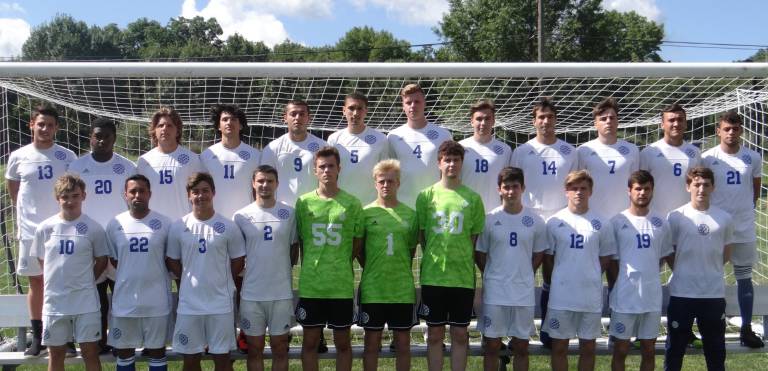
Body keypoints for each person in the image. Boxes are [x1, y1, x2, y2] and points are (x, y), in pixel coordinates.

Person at [5, 105, 76, 357]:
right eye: (41, 124)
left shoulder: (67, 156)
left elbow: (72, 192)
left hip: (60, 231)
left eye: (50, 125)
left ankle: (65, 338)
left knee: (61, 282)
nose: (45, 129)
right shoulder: (18, 156)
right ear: (32, 125)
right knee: (37, 282)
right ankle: (39, 337)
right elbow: (15, 189)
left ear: (57, 128)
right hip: (30, 232)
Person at [510, 97, 577, 348]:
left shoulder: (569, 151)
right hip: (529, 218)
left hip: (561, 219)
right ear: (534, 121)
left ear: (555, 120)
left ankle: (552, 328)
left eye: (549, 117)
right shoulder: (522, 151)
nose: (545, 121)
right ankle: (518, 329)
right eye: (541, 117)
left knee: (554, 275)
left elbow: (574, 184)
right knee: (523, 272)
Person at [68, 117, 137, 353]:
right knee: (95, 293)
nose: (101, 140)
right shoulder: (77, 167)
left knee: (120, 293)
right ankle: (97, 340)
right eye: (97, 135)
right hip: (88, 238)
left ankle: (121, 340)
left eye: (106, 136)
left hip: (119, 238)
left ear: (114, 139)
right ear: (90, 138)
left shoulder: (127, 167)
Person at [416, 140, 485, 371]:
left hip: (462, 277)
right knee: (434, 334)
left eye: (456, 160)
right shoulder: (425, 196)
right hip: (433, 276)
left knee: (459, 334)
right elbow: (423, 236)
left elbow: (473, 240)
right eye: (447, 160)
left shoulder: (473, 199)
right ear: (439, 163)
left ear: (462, 163)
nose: (452, 164)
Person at [166, 173, 246, 371]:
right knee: (191, 359)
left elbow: (238, 260)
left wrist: (223, 278)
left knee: (222, 359)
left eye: (205, 191)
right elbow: (172, 261)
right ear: (189, 196)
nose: (201, 196)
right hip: (189, 304)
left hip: (220, 303)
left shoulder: (228, 226)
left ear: (213, 193)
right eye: (195, 192)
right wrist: (188, 277)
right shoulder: (179, 226)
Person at [294, 146, 364, 371]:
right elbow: (302, 241)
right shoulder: (303, 203)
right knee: (310, 343)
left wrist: (338, 261)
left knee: (343, 343)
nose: (327, 171)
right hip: (312, 285)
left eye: (331, 166)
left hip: (340, 285)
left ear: (339, 169)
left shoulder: (352, 203)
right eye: (322, 167)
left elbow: (357, 244)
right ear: (315, 171)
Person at [30, 174, 109, 371]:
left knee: (90, 352)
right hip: (55, 302)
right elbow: (43, 261)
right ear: (57, 198)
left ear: (84, 196)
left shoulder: (93, 228)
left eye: (75, 195)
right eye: (65, 196)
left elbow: (102, 260)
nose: (70, 201)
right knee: (56, 354)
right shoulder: (45, 228)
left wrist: (87, 280)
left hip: (85, 301)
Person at [701, 110, 764, 348]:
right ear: (718, 131)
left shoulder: (753, 158)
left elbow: (755, 190)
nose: (731, 133)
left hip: (744, 228)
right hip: (716, 228)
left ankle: (746, 329)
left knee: (744, 278)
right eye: (726, 128)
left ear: (741, 131)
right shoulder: (707, 158)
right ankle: (710, 328)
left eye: (735, 129)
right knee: (710, 276)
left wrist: (744, 212)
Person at [543, 170, 616, 371]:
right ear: (566, 191)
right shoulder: (554, 222)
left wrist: (589, 273)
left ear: (591, 191)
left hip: (589, 296)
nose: (578, 193)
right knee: (559, 348)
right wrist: (558, 278)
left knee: (588, 348)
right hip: (561, 296)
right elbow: (548, 259)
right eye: (574, 188)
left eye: (583, 188)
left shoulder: (602, 223)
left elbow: (605, 257)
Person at [475, 167, 546, 371]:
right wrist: (492, 273)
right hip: (496, 291)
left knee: (522, 346)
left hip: (522, 292)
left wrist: (524, 272)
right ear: (499, 189)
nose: (511, 191)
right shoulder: (489, 220)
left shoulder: (535, 221)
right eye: (506, 187)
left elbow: (539, 254)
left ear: (523, 188)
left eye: (515, 186)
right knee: (492, 346)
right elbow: (480, 253)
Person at [664, 167, 735, 371]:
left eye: (706, 184)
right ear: (688, 187)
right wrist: (685, 270)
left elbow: (726, 253)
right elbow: (670, 252)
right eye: (696, 184)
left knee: (715, 351)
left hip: (712, 294)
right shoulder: (676, 217)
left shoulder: (724, 218)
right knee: (674, 349)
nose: (701, 189)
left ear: (713, 187)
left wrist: (707, 269)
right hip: (682, 293)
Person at [233, 165, 298, 371]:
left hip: (281, 293)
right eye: (260, 181)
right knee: (255, 349)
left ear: (277, 184)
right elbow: (237, 256)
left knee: (280, 348)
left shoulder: (289, 213)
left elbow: (293, 250)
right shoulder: (241, 216)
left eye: (270, 181)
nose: (265, 185)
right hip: (252, 294)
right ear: (253, 183)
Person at [106, 174, 172, 371]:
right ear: (125, 195)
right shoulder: (115, 224)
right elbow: (115, 260)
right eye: (132, 191)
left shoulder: (164, 223)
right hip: (125, 302)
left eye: (142, 191)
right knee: (124, 353)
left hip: (156, 302)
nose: (137, 195)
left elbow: (169, 259)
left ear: (149, 194)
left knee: (157, 353)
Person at [608, 170, 672, 371]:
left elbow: (663, 256)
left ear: (652, 191)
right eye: (638, 189)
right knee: (620, 349)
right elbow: (611, 261)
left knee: (649, 349)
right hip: (624, 298)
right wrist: (617, 286)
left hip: (651, 297)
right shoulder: (617, 222)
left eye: (647, 189)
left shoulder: (661, 223)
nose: (642, 193)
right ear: (629, 191)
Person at [358, 159, 418, 371]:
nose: (386, 185)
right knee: (371, 344)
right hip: (373, 289)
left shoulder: (411, 215)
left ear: (398, 184)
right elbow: (359, 250)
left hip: (401, 289)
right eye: (382, 181)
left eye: (391, 181)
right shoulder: (364, 214)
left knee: (403, 344)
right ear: (375, 183)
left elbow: (410, 250)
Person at [388, 83, 452, 207]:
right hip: (403, 204)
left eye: (417, 101)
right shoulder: (393, 136)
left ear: (424, 104)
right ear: (403, 106)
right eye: (408, 102)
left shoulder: (443, 135)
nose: (413, 106)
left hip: (435, 203)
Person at [577, 97, 640, 218]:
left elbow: (636, 186)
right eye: (603, 119)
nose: (608, 121)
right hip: (592, 217)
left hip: (624, 218)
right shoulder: (583, 151)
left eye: (612, 118)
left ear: (618, 121)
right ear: (595, 124)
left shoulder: (632, 150)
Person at [137, 107, 202, 221]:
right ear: (154, 130)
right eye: (160, 126)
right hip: (154, 225)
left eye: (169, 125)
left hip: (184, 224)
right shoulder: (144, 161)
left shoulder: (192, 159)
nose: (164, 129)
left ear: (177, 131)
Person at [261, 100, 329, 207]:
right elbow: (263, 182)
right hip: (281, 211)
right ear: (285, 118)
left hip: (314, 209)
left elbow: (329, 180)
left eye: (302, 114)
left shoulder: (322, 147)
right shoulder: (272, 149)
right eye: (293, 114)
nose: (297, 118)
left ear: (308, 118)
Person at [201, 104, 261, 219]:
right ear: (219, 126)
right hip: (214, 219)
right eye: (225, 119)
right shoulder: (207, 155)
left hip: (246, 219)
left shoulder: (255, 155)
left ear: (241, 125)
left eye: (233, 119)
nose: (229, 122)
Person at [327, 92, 389, 205]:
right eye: (351, 108)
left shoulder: (380, 139)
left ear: (366, 111)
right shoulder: (334, 140)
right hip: (341, 204)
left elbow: (385, 174)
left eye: (360, 108)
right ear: (344, 110)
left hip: (371, 204)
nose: (355, 113)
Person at [639, 103, 701, 217]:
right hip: (656, 218)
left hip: (687, 219)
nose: (676, 124)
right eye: (671, 120)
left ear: (686, 124)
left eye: (680, 120)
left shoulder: (695, 152)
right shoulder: (649, 153)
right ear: (662, 124)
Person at [459, 99, 512, 211]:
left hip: (494, 213)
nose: (483, 123)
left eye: (487, 119)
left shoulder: (505, 150)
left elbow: (508, 184)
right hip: (466, 212)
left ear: (493, 121)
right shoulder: (461, 147)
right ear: (472, 121)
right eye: (479, 119)